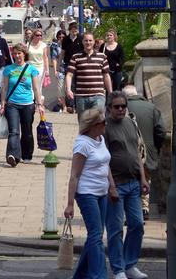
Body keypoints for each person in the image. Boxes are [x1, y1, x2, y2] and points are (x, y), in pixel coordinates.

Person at [64, 108, 118, 279]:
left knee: (95, 235)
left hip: (102, 192)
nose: (106, 124)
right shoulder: (82, 144)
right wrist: (70, 203)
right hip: (87, 194)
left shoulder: (100, 139)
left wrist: (112, 187)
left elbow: (105, 164)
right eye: (103, 122)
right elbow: (74, 175)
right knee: (95, 236)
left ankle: (80, 275)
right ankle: (99, 275)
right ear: (93, 125)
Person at [105, 91, 150, 279]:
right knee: (115, 230)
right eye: (117, 106)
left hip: (133, 184)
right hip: (117, 185)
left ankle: (130, 265)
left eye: (123, 106)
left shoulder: (131, 123)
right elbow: (103, 160)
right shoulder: (105, 127)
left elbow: (137, 154)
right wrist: (111, 186)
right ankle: (118, 269)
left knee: (137, 225)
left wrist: (143, 177)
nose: (121, 109)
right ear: (109, 108)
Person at [123, 84, 166, 221]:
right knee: (145, 179)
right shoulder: (152, 108)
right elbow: (161, 131)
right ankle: (144, 208)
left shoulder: (120, 108)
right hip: (147, 151)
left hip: (126, 152)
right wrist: (155, 146)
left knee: (128, 181)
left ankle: (131, 210)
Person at [0, 42, 44, 167]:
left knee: (27, 131)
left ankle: (27, 155)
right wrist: (2, 105)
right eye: (15, 54)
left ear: (24, 54)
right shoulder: (8, 69)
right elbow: (4, 88)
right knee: (13, 131)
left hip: (28, 104)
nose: (17, 56)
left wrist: (39, 104)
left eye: (19, 53)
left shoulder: (31, 70)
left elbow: (36, 88)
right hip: (12, 104)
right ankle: (13, 156)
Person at [65, 32, 112, 117]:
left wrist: (110, 93)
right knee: (84, 125)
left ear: (94, 42)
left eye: (90, 40)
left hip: (98, 95)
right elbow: (69, 75)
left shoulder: (102, 57)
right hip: (81, 96)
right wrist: (68, 89)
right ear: (82, 42)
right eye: (86, 40)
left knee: (98, 122)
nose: (88, 42)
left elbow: (106, 76)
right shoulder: (75, 57)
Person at [26, 28, 50, 94]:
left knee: (38, 86)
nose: (39, 37)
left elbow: (45, 58)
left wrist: (47, 70)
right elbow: (26, 57)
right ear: (33, 35)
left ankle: (38, 102)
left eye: (40, 35)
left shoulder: (43, 45)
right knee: (30, 85)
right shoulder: (28, 44)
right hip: (29, 67)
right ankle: (32, 102)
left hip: (40, 68)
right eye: (37, 35)